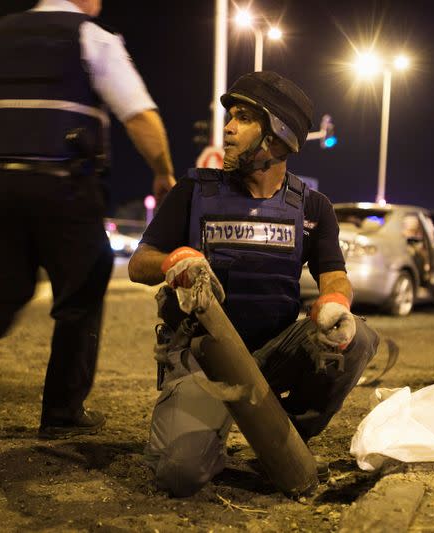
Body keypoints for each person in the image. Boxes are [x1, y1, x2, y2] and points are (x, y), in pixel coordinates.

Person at [0, 0, 175, 441]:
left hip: (4, 185)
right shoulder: (92, 38)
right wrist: (162, 171)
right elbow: (139, 114)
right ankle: (61, 411)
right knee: (83, 289)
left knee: (7, 288)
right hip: (67, 185)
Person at [128, 71, 381, 497]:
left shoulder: (312, 206)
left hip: (271, 352)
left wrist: (336, 302)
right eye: (230, 116)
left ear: (278, 136)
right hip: (203, 355)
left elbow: (333, 273)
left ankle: (281, 431)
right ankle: (210, 428)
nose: (227, 128)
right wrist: (175, 260)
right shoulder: (194, 190)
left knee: (356, 338)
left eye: (243, 118)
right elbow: (139, 263)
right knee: (181, 476)